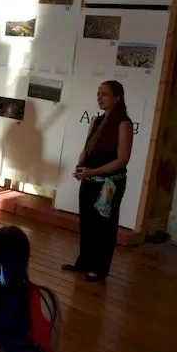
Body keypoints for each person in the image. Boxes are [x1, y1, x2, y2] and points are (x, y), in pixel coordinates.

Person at [62, 80, 132, 282]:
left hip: (109, 183)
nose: (99, 98)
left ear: (117, 97)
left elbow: (122, 160)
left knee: (104, 226)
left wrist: (92, 171)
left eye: (105, 94)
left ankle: (99, 269)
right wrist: (80, 165)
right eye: (98, 93)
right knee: (87, 222)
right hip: (90, 178)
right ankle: (83, 262)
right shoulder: (96, 120)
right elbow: (87, 147)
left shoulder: (123, 123)